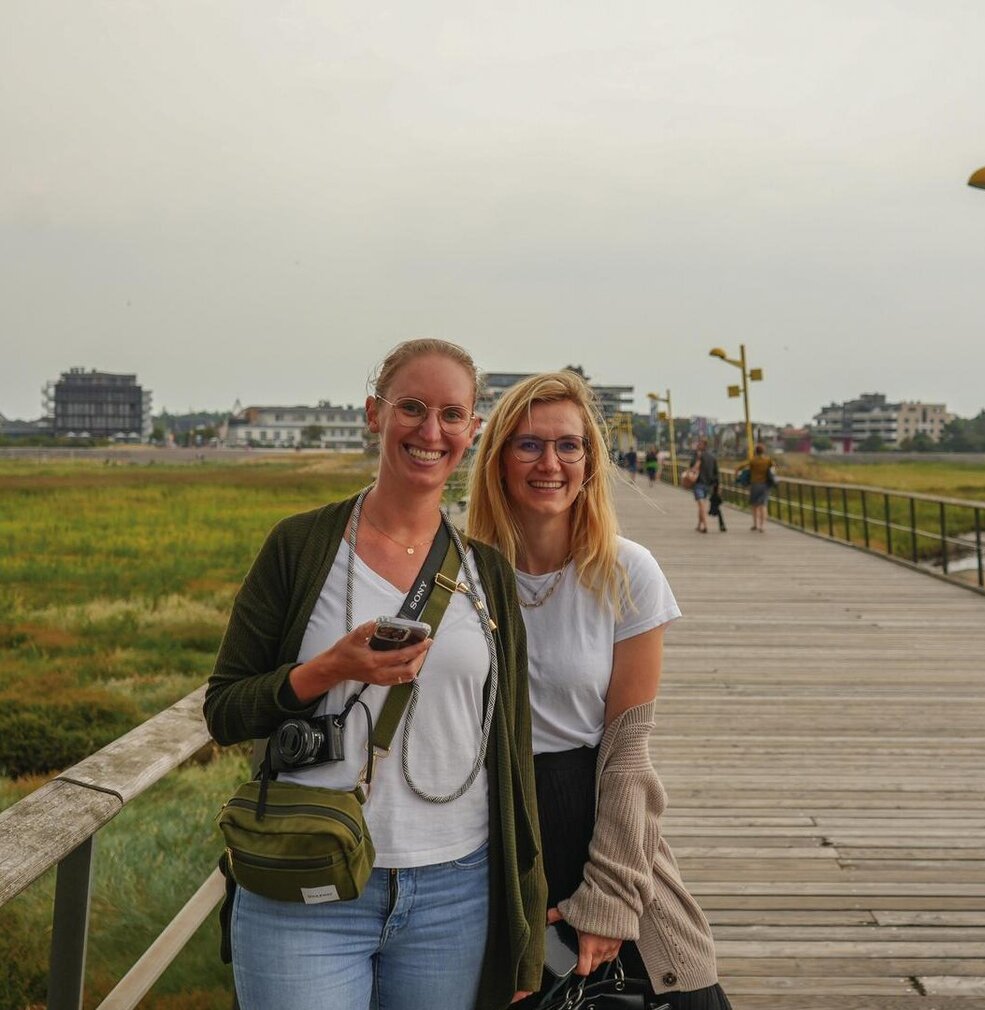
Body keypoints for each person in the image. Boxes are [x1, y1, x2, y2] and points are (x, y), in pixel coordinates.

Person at [204, 338, 546, 1010]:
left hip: (457, 888)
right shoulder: (300, 547)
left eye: (452, 415)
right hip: (308, 879)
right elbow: (225, 711)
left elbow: (514, 749)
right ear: (373, 414)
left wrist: (525, 924)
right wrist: (329, 668)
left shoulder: (488, 575)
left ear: (473, 432)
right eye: (411, 408)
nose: (430, 431)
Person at [467, 372, 730, 1010]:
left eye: (569, 446)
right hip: (485, 833)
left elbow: (628, 751)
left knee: (669, 988)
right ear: (499, 459)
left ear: (589, 462)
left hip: (593, 819)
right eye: (528, 446)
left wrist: (610, 898)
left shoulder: (626, 571)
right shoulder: (461, 574)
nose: (550, 463)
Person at [736, 442, 773, 532]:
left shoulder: (753, 460)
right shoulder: (768, 460)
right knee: (763, 505)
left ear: (756, 452)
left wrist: (737, 473)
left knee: (754, 505)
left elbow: (741, 467)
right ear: (763, 451)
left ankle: (755, 524)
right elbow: (774, 468)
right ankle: (762, 526)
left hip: (755, 485)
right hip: (765, 485)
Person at [689, 438, 719, 533]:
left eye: (699, 444)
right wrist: (717, 485)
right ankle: (699, 525)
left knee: (701, 506)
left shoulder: (697, 457)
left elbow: (692, 469)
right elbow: (716, 473)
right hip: (708, 484)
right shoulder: (713, 457)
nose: (698, 445)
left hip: (699, 483)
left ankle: (705, 526)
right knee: (702, 505)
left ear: (703, 445)